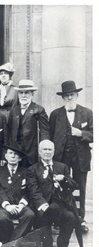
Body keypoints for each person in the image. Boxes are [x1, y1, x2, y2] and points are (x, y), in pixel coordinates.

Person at [49, 80, 92, 233]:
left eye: (72, 95)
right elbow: (49, 135)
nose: (69, 98)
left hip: (81, 158)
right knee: (60, 187)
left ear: (77, 95)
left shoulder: (87, 113)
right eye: (66, 96)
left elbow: (94, 134)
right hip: (61, 158)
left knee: (80, 187)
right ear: (63, 98)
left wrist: (81, 133)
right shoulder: (55, 114)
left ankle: (80, 219)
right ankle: (60, 218)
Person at [26, 140, 78, 247]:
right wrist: (44, 206)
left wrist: (64, 179)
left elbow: (73, 185)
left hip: (60, 206)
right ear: (39, 152)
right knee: (44, 217)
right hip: (43, 206)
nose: (47, 152)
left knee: (70, 217)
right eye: (45, 149)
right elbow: (34, 191)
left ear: (54, 152)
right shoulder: (32, 170)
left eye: (50, 150)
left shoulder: (62, 167)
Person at [0, 145, 35, 247]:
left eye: (16, 155)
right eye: (10, 153)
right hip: (3, 206)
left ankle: (11, 246)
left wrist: (21, 204)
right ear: (6, 156)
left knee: (30, 215)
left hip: (21, 205)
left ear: (20, 158)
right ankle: (17, 246)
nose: (13, 156)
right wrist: (7, 205)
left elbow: (30, 191)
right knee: (1, 218)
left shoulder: (26, 172)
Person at [7, 80, 50, 167]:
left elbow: (45, 132)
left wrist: (43, 151)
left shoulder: (39, 109)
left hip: (31, 153)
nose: (23, 95)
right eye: (21, 93)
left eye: (26, 93)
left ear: (32, 94)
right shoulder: (14, 110)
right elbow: (9, 131)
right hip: (17, 152)